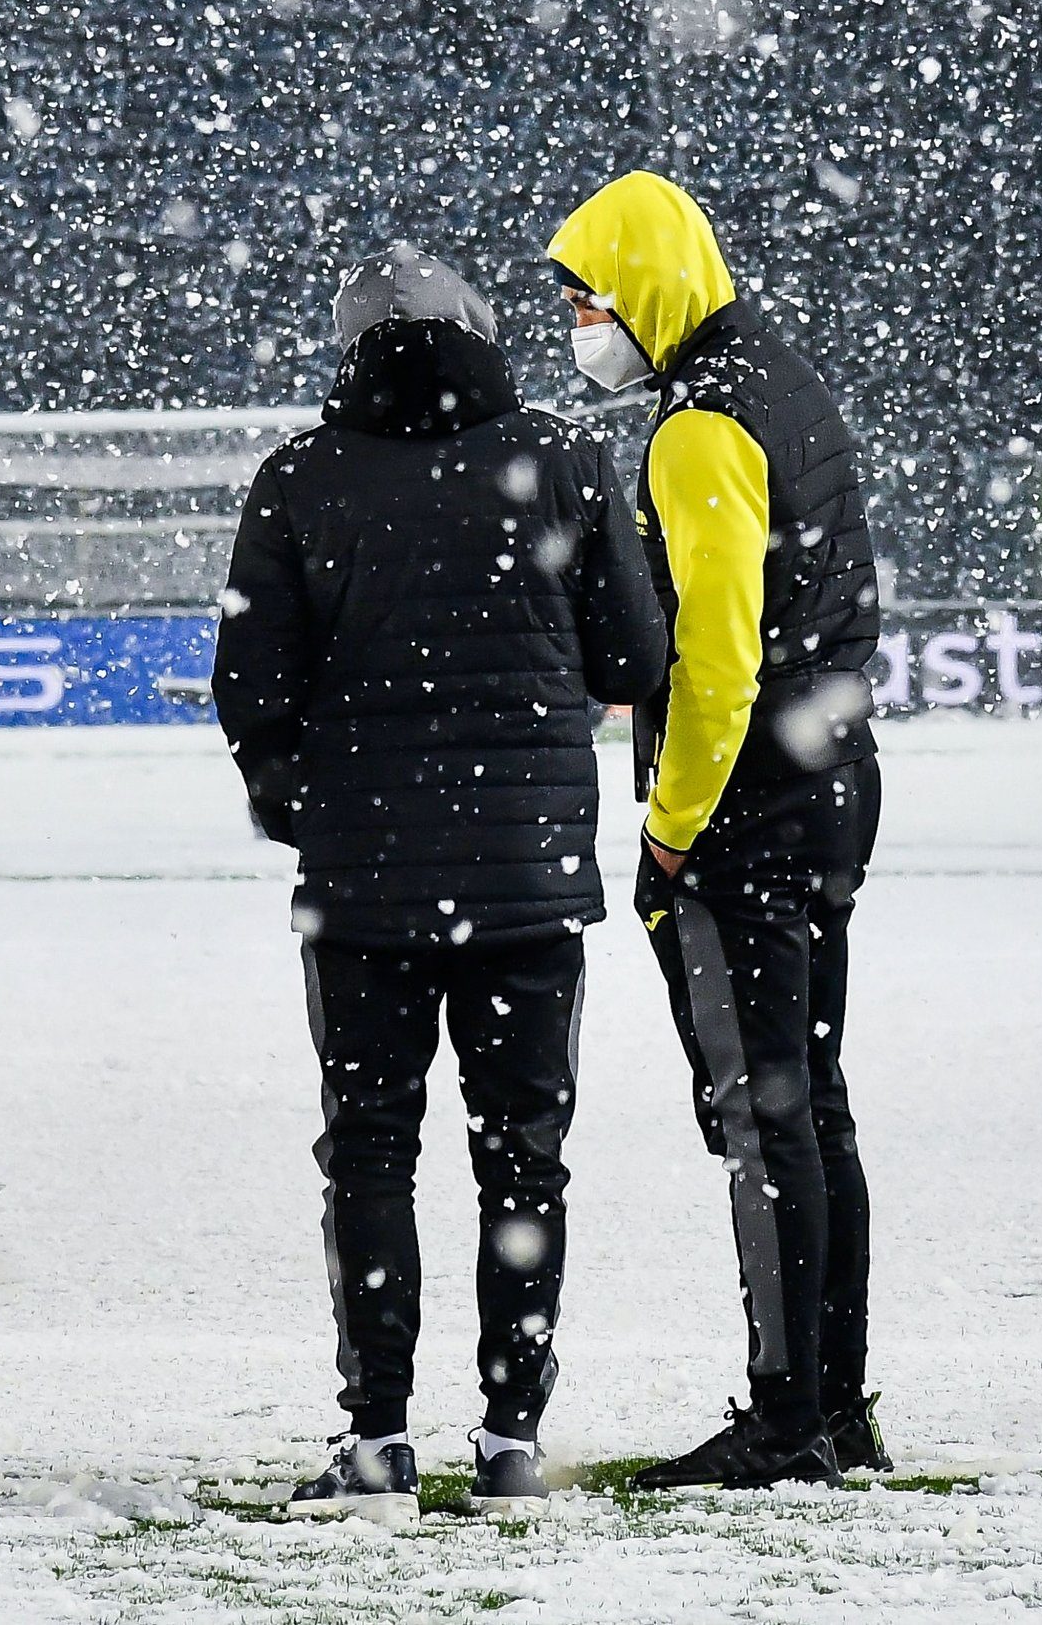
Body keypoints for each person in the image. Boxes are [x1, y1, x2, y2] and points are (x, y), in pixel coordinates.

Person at [215, 244, 667, 1521]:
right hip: (526, 882)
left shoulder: (299, 476)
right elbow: (634, 652)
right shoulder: (564, 457)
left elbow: (249, 688)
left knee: (368, 1154)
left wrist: (310, 804)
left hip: (363, 886)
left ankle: (375, 1438)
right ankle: (512, 1434)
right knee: (524, 1156)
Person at [547, 170, 887, 1490]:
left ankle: (785, 1414)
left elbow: (717, 656)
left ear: (645, 288)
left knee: (762, 1114)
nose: (580, 321)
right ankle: (837, 1399)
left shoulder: (699, 426)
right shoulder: (786, 379)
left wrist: (674, 827)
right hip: (835, 772)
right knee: (816, 1105)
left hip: (749, 802)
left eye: (589, 295)